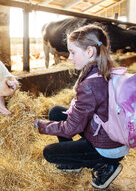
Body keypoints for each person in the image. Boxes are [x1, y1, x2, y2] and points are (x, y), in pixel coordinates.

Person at [34, 24, 129, 190]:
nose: (70, 57)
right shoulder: (103, 69)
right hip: (110, 133)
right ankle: (77, 161)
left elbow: (71, 128)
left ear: (90, 52)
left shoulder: (91, 84)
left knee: (50, 153)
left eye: (73, 52)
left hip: (107, 147)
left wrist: (40, 126)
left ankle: (106, 165)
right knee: (56, 112)